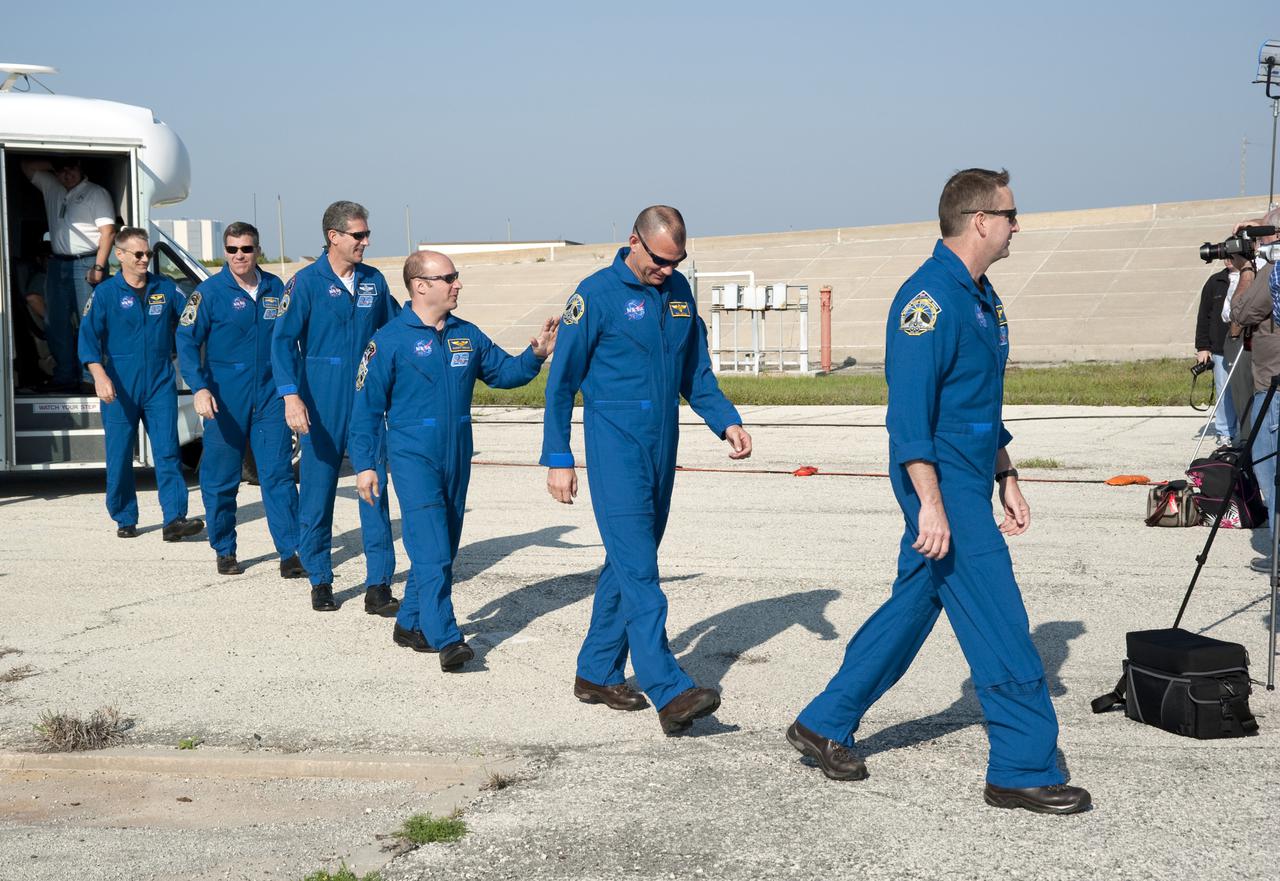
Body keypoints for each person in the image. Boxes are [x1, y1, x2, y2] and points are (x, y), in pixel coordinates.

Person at [787, 169, 1090, 815]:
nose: (1017, 226)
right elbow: (909, 418)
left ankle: (825, 719)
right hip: (940, 480)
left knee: (914, 604)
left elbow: (981, 401)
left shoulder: (983, 297)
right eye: (1011, 214)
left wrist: (1006, 473)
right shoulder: (926, 300)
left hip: (970, 473)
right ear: (980, 219)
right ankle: (1021, 765)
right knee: (1001, 619)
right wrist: (930, 502)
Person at [542, 205, 753, 735]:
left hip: (663, 446)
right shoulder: (594, 295)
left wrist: (726, 421)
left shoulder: (679, 293)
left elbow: (695, 373)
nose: (667, 270)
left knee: (628, 561)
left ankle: (595, 671)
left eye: (676, 261)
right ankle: (668, 687)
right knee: (641, 572)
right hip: (616, 449)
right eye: (660, 260)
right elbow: (560, 383)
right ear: (634, 241)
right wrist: (559, 457)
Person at [351, 251, 558, 671]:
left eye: (456, 276)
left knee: (443, 546)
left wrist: (536, 354)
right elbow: (366, 409)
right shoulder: (388, 341)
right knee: (431, 551)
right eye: (449, 278)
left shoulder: (467, 335)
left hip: (457, 456)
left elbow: (505, 374)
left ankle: (410, 623)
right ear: (420, 285)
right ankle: (447, 637)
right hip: (413, 456)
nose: (458, 284)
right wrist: (366, 464)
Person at [270, 201, 399, 614]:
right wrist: (291, 396)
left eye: (366, 234)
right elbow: (282, 342)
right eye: (358, 235)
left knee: (372, 488)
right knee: (318, 492)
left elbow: (394, 328)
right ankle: (320, 578)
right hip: (320, 401)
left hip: (366, 401)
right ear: (334, 236)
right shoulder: (304, 283)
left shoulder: (374, 282)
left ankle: (378, 584)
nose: (366, 241)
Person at [176, 222, 303, 578]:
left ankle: (290, 551)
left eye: (245, 249)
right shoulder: (210, 292)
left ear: (257, 250)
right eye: (231, 249)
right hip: (224, 398)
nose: (238, 256)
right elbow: (185, 340)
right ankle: (225, 548)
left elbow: (292, 337)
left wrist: (294, 390)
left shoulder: (277, 288)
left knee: (277, 474)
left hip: (269, 395)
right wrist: (199, 387)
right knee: (221, 478)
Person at [78, 227, 204, 542]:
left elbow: (192, 319)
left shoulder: (166, 287)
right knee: (119, 453)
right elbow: (88, 338)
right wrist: (99, 375)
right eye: (138, 254)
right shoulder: (106, 294)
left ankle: (174, 519)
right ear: (119, 255)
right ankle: (124, 516)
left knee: (167, 450)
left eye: (147, 253)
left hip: (159, 381)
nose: (144, 259)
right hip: (119, 382)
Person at [22, 156, 117, 392]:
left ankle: (89, 377)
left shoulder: (97, 193)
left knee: (89, 322)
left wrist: (98, 266)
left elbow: (108, 232)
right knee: (56, 322)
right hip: (58, 264)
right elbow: (26, 166)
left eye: (71, 169)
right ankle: (64, 376)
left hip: (87, 261)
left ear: (81, 168)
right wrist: (53, 166)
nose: (67, 175)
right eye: (62, 171)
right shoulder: (52, 186)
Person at [1227, 210, 1280, 534]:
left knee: (1269, 470)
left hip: (1273, 389)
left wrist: (1247, 269)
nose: (1257, 243)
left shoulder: (1274, 272)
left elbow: (1242, 312)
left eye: (1261, 236)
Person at [1194, 258, 1239, 446]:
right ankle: (1225, 432)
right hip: (1220, 348)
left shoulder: (1253, 275)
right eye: (1225, 255)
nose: (1227, 259)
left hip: (1247, 346)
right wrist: (1203, 347)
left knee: (1246, 390)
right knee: (1224, 391)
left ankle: (1247, 432)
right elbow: (1204, 315)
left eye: (1232, 254)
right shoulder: (1215, 282)